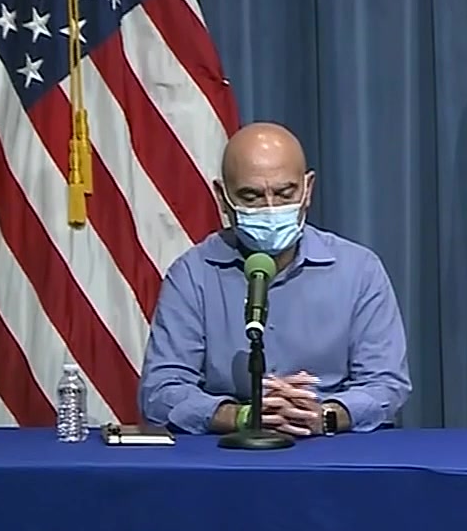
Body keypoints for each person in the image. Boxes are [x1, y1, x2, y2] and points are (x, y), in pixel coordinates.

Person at [138, 122, 412, 436]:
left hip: (330, 449)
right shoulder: (191, 274)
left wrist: (323, 415)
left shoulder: (360, 270)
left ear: (307, 189)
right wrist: (243, 416)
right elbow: (159, 393)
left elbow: (386, 385)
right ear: (222, 197)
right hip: (228, 455)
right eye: (251, 196)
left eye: (284, 193)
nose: (270, 209)